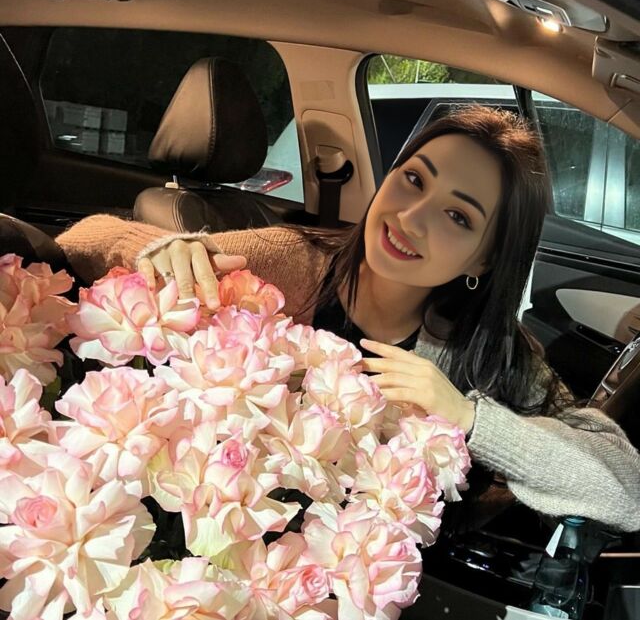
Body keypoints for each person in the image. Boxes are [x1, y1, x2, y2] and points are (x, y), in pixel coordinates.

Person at [57, 105, 640, 533]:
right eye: (413, 179)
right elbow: (80, 241)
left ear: (484, 259)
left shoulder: (490, 351)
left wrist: (468, 418)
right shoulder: (292, 263)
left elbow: (625, 487)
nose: (411, 217)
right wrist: (156, 251)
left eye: (458, 217)